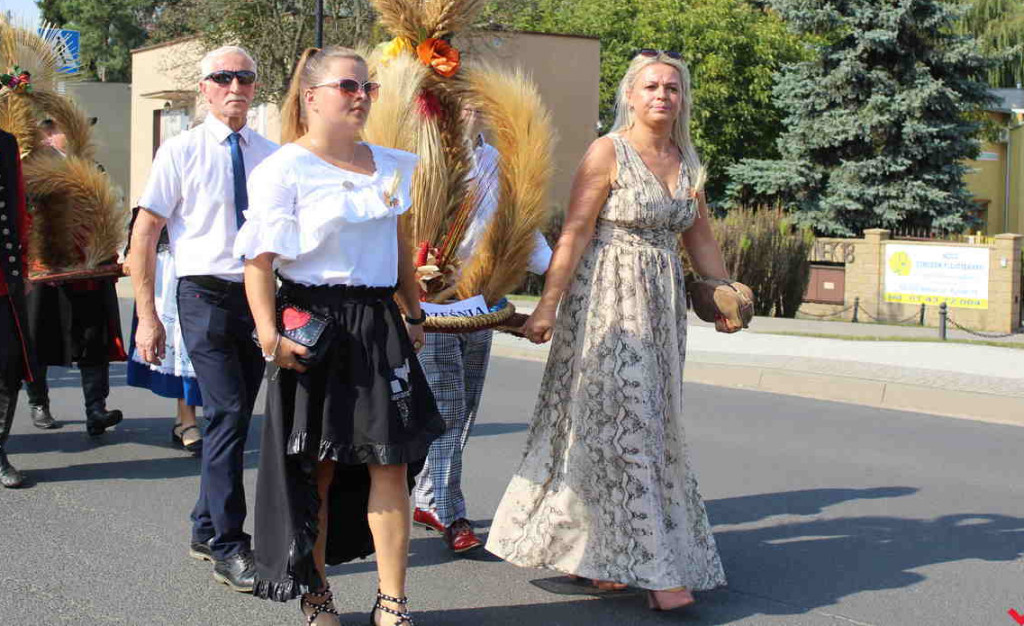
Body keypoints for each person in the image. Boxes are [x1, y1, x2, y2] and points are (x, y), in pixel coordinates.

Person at [485, 51, 737, 611]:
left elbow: (700, 240)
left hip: (661, 304)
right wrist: (548, 306)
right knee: (629, 420)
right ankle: (659, 572)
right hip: (605, 300)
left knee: (631, 423)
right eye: (651, 86)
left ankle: (595, 553)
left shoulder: (688, 158)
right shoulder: (608, 152)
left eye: (672, 88)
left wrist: (723, 294)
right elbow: (573, 234)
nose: (662, 96)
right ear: (629, 94)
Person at [236, 46, 443, 626]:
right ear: (311, 97)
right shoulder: (283, 168)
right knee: (318, 468)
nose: (361, 96)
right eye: (348, 86)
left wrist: (413, 310)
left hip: (379, 325)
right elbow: (259, 260)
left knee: (391, 464)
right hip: (314, 325)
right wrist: (270, 336)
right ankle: (317, 596)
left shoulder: (394, 165)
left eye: (367, 87)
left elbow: (399, 247)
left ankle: (393, 602)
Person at [129, 46, 277, 593]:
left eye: (245, 76)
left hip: (258, 298)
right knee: (229, 412)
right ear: (204, 88)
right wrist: (147, 318)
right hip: (204, 295)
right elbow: (144, 235)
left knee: (230, 419)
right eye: (223, 77)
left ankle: (203, 526)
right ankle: (229, 546)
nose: (234, 85)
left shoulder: (270, 153)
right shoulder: (181, 152)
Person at [412, 104, 551, 553]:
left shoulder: (498, 161)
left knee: (465, 402)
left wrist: (560, 273)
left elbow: (518, 229)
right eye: (460, 98)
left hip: (481, 299)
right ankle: (445, 508)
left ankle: (428, 493)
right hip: (433, 299)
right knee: (447, 403)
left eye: (476, 99)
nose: (469, 107)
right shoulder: (423, 154)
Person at [24, 120, 127, 434]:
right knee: (38, 337)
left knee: (93, 340)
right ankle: (39, 403)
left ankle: (96, 409)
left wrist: (107, 252)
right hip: (45, 269)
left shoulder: (92, 166)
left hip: (89, 267)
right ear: (49, 135)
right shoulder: (29, 169)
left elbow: (107, 211)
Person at [124, 207, 203, 455]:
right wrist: (132, 251)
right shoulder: (171, 169)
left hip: (212, 264)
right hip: (171, 264)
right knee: (184, 345)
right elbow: (147, 215)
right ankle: (188, 419)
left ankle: (187, 420)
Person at [0, 126, 36, 488]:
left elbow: (17, 205)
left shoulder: (5, 143)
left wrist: (23, 267)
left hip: (1, 278)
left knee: (8, 365)